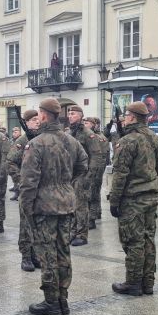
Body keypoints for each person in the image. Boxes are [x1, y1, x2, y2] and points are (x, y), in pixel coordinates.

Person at [20, 98, 88, 315]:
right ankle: (63, 300)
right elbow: (83, 166)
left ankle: (51, 302)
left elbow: (28, 181)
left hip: (44, 206)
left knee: (47, 254)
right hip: (66, 204)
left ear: (42, 115)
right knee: (63, 251)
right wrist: (64, 184)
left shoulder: (37, 143)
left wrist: (27, 207)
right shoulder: (71, 141)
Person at [110, 102, 158, 296]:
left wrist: (114, 201)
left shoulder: (128, 140)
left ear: (132, 117)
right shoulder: (154, 138)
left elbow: (119, 175)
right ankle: (147, 283)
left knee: (133, 241)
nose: (124, 118)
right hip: (150, 196)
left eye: (126, 115)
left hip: (132, 199)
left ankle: (133, 283)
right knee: (148, 239)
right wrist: (146, 180)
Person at [6, 110, 41, 271]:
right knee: (26, 224)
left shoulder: (41, 138)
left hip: (41, 189)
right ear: (26, 122)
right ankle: (26, 256)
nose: (37, 122)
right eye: (33, 120)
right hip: (27, 190)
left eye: (38, 119)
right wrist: (21, 181)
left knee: (38, 224)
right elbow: (10, 162)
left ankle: (35, 255)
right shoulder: (22, 140)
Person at [67, 105, 100, 246]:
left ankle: (82, 234)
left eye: (73, 113)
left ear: (80, 115)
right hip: (70, 175)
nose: (70, 116)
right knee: (72, 205)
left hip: (82, 174)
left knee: (81, 205)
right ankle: (73, 232)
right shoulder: (69, 133)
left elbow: (96, 156)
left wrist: (89, 177)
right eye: (69, 113)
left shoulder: (88, 134)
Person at [83, 117, 109, 229]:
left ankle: (92, 218)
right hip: (90, 168)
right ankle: (97, 212)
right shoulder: (88, 135)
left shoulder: (97, 137)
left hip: (95, 168)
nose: (85, 125)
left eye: (87, 123)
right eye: (84, 123)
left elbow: (100, 156)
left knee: (92, 193)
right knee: (93, 192)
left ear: (94, 125)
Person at [8, 126, 22, 200]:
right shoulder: (12, 141)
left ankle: (20, 194)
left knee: (20, 179)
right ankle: (16, 193)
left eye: (16, 132)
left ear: (19, 132)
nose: (14, 133)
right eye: (13, 132)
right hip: (14, 162)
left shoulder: (21, 140)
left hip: (20, 162)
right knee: (15, 180)